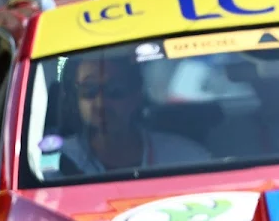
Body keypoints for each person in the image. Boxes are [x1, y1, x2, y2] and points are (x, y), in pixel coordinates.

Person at [56, 55, 209, 176]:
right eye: (89, 90)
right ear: (74, 98)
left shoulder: (185, 157)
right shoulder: (51, 163)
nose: (101, 102)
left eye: (116, 90)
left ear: (137, 96)